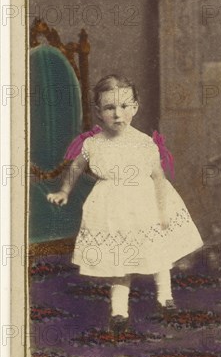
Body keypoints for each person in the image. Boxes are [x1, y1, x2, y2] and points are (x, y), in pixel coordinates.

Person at [47, 74, 203, 332]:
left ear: (135, 107)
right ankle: (119, 311)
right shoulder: (93, 144)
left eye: (123, 106)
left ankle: (165, 298)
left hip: (145, 207)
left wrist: (162, 212)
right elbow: (75, 168)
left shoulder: (143, 143)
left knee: (158, 255)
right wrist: (64, 191)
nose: (117, 114)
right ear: (98, 112)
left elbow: (158, 178)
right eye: (109, 108)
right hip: (111, 211)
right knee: (119, 262)